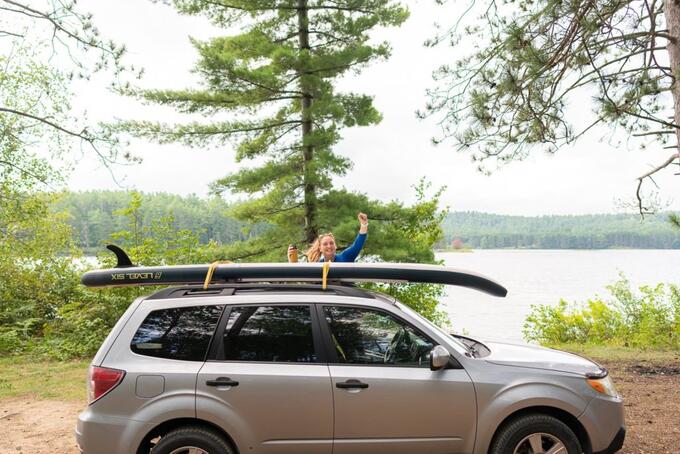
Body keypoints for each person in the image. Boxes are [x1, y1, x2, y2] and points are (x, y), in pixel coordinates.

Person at [288, 213, 368, 263]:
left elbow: (358, 244)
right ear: (320, 248)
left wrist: (364, 224)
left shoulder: (346, 256)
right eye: (325, 244)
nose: (329, 246)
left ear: (335, 246)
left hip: (345, 290)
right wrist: (292, 262)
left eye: (331, 243)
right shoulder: (318, 265)